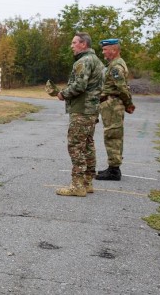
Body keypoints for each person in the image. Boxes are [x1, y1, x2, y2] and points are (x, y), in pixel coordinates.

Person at [55, 32, 104, 197]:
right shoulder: (97, 61)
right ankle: (87, 182)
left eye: (74, 42)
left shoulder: (83, 61)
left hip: (82, 110)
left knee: (76, 146)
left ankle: (77, 186)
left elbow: (79, 85)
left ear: (83, 44)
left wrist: (63, 94)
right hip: (91, 110)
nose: (71, 46)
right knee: (88, 146)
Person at [96, 38, 136, 181]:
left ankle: (114, 171)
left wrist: (129, 104)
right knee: (112, 135)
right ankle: (112, 167)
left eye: (105, 49)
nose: (103, 52)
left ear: (114, 49)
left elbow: (122, 88)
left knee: (113, 135)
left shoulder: (116, 67)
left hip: (113, 105)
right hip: (110, 104)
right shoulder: (114, 64)